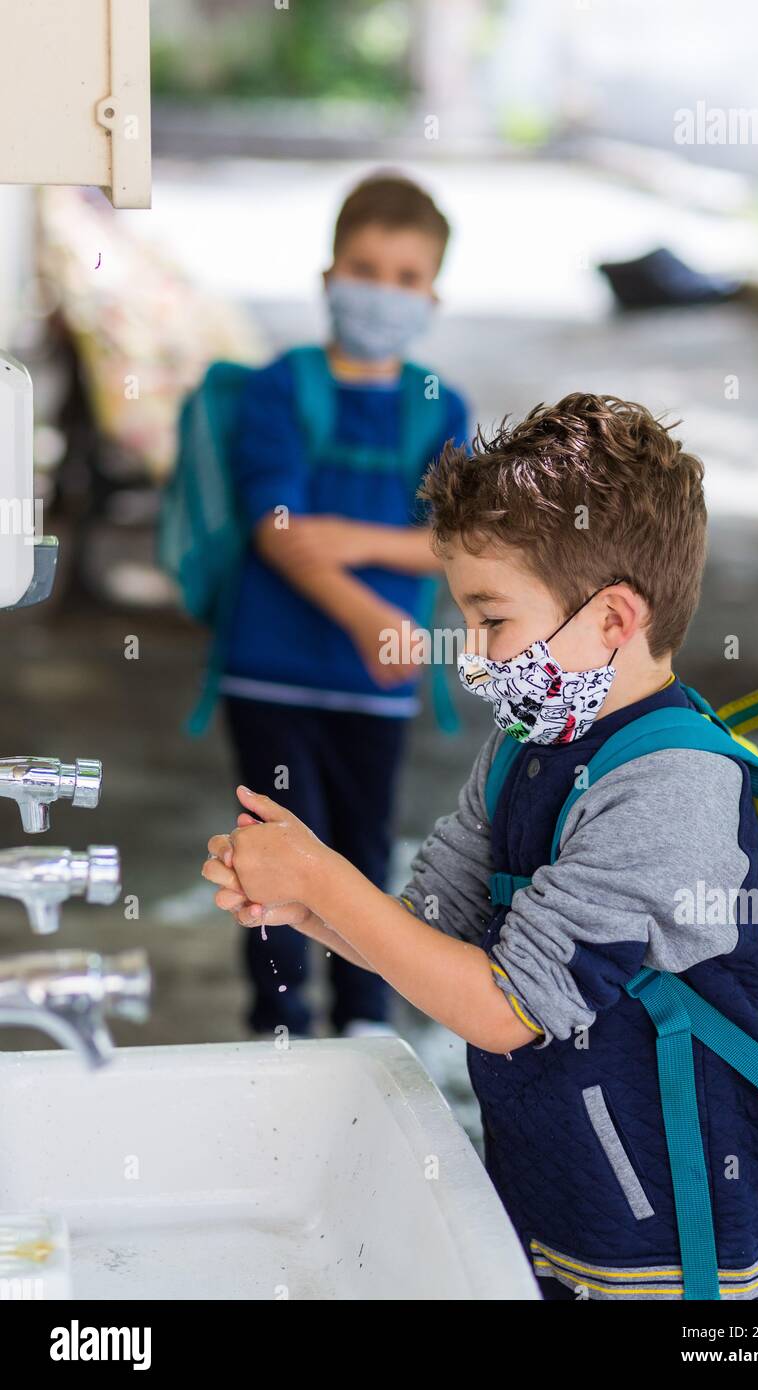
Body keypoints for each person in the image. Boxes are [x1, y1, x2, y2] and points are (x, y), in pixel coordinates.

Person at [203, 392, 758, 1300]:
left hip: (686, 1252)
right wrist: (306, 908)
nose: (474, 654)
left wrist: (328, 879)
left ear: (613, 619)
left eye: (493, 619)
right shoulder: (525, 747)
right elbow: (429, 932)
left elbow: (503, 1007)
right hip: (559, 1217)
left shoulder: (673, 785)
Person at [220, 172, 468, 1038]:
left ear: (432, 292)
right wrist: (372, 613)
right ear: (329, 277)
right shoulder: (282, 385)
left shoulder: (440, 404)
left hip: (377, 684)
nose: (383, 292)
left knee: (364, 847)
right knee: (269, 856)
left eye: (406, 276)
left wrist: (347, 538)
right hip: (271, 673)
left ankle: (365, 1017)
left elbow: (456, 539)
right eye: (365, 268)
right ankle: (275, 1021)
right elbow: (272, 525)